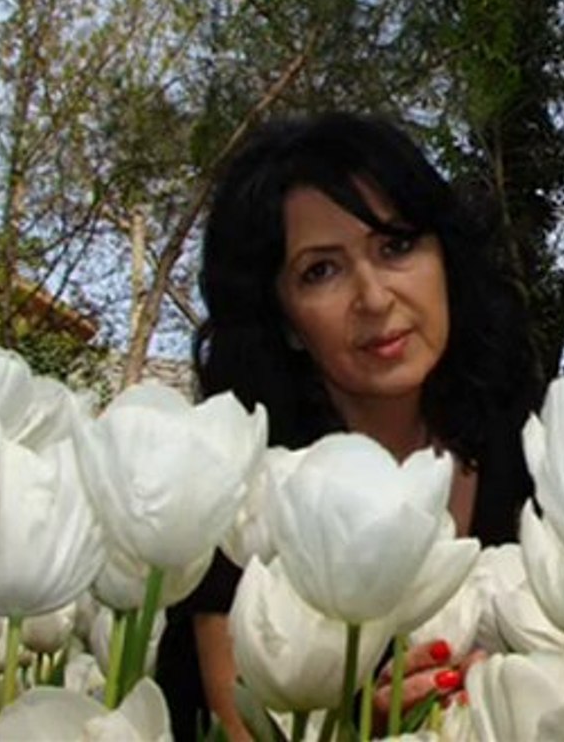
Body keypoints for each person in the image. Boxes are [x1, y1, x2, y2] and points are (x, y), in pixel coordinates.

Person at [155, 112, 544, 741]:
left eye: (396, 246)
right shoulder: (245, 504)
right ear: (283, 319)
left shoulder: (532, 453)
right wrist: (352, 728)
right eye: (321, 271)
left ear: (444, 258)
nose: (374, 298)